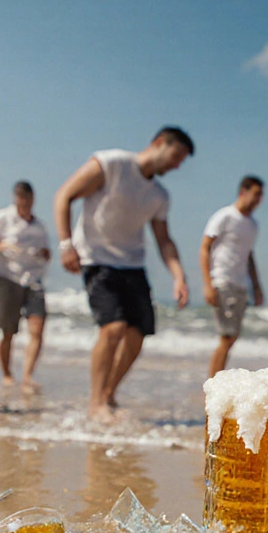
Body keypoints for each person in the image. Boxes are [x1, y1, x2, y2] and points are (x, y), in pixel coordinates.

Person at [53, 126, 193, 420]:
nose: (177, 165)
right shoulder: (112, 163)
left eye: (182, 161)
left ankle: (109, 394)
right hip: (97, 259)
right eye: (176, 155)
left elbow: (164, 239)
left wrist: (178, 275)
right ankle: (95, 403)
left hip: (133, 265)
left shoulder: (159, 195)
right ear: (158, 143)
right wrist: (66, 244)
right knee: (113, 328)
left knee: (137, 334)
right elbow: (64, 195)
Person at [0, 180, 51, 392]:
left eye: (29, 199)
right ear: (16, 198)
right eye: (22, 199)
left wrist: (44, 254)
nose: (25, 203)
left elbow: (47, 252)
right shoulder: (1, 218)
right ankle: (7, 374)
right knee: (8, 331)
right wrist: (3, 246)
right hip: (7, 278)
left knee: (38, 326)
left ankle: (27, 376)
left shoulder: (39, 226)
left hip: (33, 279)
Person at [200, 176, 265, 378]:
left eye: (261, 196)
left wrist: (256, 285)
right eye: (255, 194)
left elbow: (249, 255)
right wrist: (208, 284)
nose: (258, 200)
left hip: (241, 284)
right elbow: (205, 248)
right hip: (223, 280)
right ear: (242, 192)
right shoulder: (225, 216)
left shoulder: (253, 224)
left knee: (232, 337)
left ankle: (217, 382)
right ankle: (213, 387)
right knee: (226, 337)